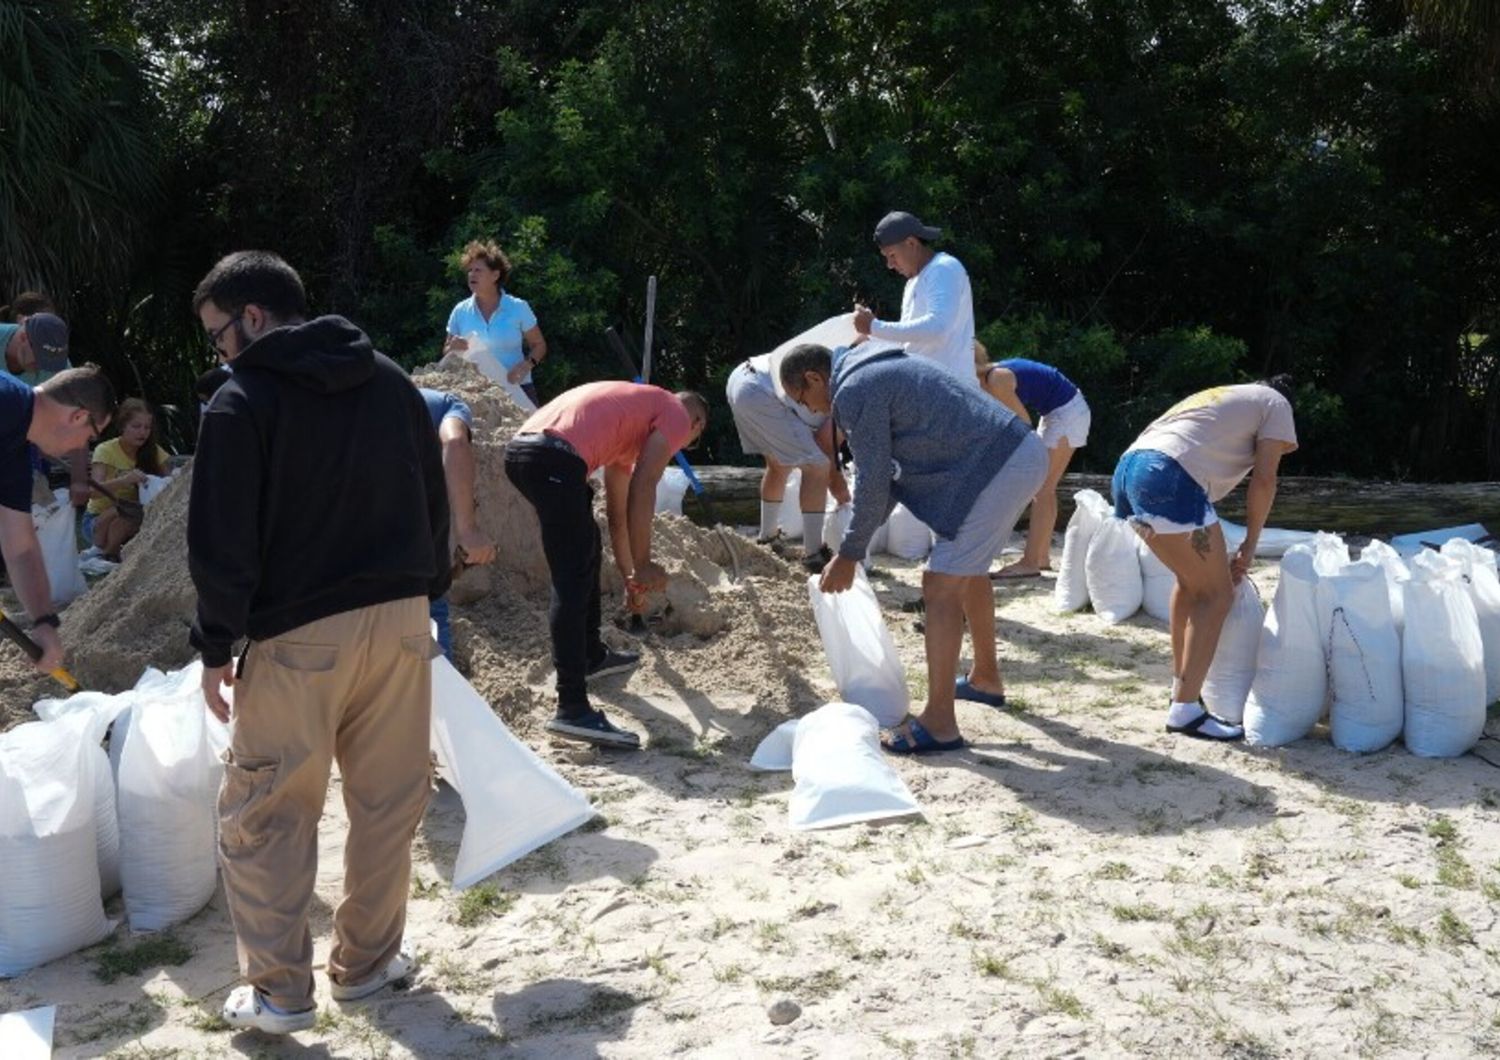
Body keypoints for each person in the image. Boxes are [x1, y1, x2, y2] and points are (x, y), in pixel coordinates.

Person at [188, 251, 449, 1033]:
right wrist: (425, 594)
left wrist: (215, 645)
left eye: (218, 334)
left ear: (255, 318)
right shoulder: (393, 380)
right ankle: (367, 968)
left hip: (298, 632)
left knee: (269, 809)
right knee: (387, 803)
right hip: (402, 619)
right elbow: (432, 494)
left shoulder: (243, 402)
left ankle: (279, 995)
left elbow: (221, 545)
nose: (219, 351)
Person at [782, 342, 1048, 754]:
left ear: (815, 378)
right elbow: (887, 480)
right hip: (1014, 455)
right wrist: (855, 545)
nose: (813, 410)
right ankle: (985, 679)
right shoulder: (878, 370)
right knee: (966, 570)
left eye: (804, 399)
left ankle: (940, 723)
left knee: (939, 585)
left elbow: (872, 482)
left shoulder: (855, 389)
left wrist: (850, 553)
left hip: (998, 467)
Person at [504, 381, 708, 749]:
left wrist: (632, 576)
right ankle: (572, 707)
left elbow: (617, 515)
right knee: (571, 577)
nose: (678, 446)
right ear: (696, 424)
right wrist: (645, 564)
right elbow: (646, 486)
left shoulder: (627, 429)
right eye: (687, 443)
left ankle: (590, 655)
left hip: (525, 452)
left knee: (587, 547)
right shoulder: (677, 412)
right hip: (554, 457)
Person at [1112, 378, 1298, 741]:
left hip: (1128, 471)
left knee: (1191, 582)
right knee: (1217, 595)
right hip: (1167, 475)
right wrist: (1250, 543)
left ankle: (1182, 691)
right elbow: (1264, 480)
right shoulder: (1277, 404)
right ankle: (1184, 711)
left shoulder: (1230, 397)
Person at [0, 365, 117, 673]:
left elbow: (21, 547)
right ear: (78, 416)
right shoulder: (5, 401)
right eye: (90, 437)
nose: (83, 448)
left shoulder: (15, 451)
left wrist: (44, 621)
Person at [726, 341, 849, 572]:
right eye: (803, 400)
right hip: (760, 392)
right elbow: (825, 444)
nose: (811, 408)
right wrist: (839, 488)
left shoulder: (832, 372)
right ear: (814, 380)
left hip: (742, 378)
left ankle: (767, 537)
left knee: (778, 465)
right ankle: (814, 554)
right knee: (816, 466)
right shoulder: (846, 392)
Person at [976, 345, 1092, 580]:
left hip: (1067, 414)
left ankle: (1030, 563)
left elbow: (1021, 423)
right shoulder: (988, 379)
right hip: (1055, 413)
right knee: (1042, 488)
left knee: (1042, 488)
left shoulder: (996, 379)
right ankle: (1041, 557)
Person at [852, 211, 977, 388]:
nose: (889, 265)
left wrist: (874, 327)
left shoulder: (943, 268)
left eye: (892, 255)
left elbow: (938, 327)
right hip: (931, 390)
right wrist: (868, 338)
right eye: (886, 258)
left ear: (911, 243)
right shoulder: (914, 281)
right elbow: (911, 342)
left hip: (952, 391)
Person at [421, 386, 498, 660]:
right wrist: (468, 530)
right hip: (409, 548)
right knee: (430, 611)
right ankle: (444, 697)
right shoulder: (445, 404)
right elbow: (454, 442)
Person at [442, 239, 548, 406]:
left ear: (495, 275)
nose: (472, 274)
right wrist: (452, 347)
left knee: (531, 432)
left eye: (478, 270)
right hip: (477, 394)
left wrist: (526, 365)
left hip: (518, 389)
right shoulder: (460, 311)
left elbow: (539, 344)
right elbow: (447, 350)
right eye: (470, 270)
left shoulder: (518, 307)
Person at [84, 398, 170, 559]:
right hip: (98, 519)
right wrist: (124, 481)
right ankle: (108, 552)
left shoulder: (154, 451)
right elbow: (93, 492)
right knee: (121, 511)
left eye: (147, 427)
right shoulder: (105, 450)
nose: (142, 432)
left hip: (134, 518)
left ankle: (108, 555)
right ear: (122, 426)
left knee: (129, 515)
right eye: (136, 426)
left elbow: (171, 486)